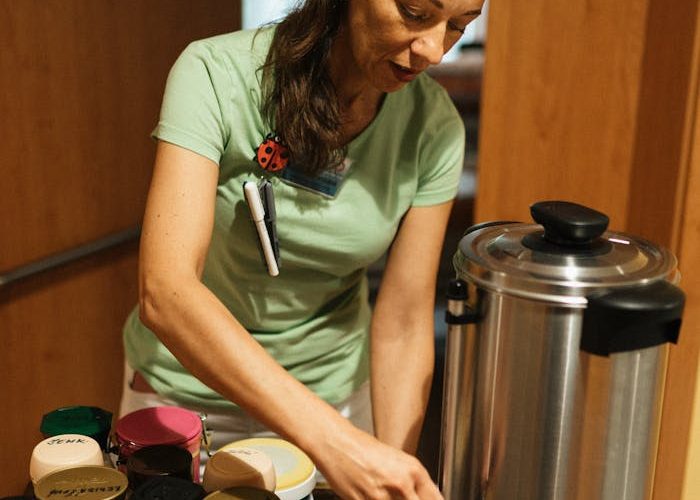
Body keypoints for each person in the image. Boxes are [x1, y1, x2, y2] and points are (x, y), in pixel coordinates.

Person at [119, 0, 484, 497]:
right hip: (185, 401)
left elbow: (402, 320)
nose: (435, 51)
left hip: (336, 397)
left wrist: (391, 462)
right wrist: (334, 443)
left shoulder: (432, 127)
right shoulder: (214, 73)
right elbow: (166, 290)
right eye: (416, 13)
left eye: (459, 26)